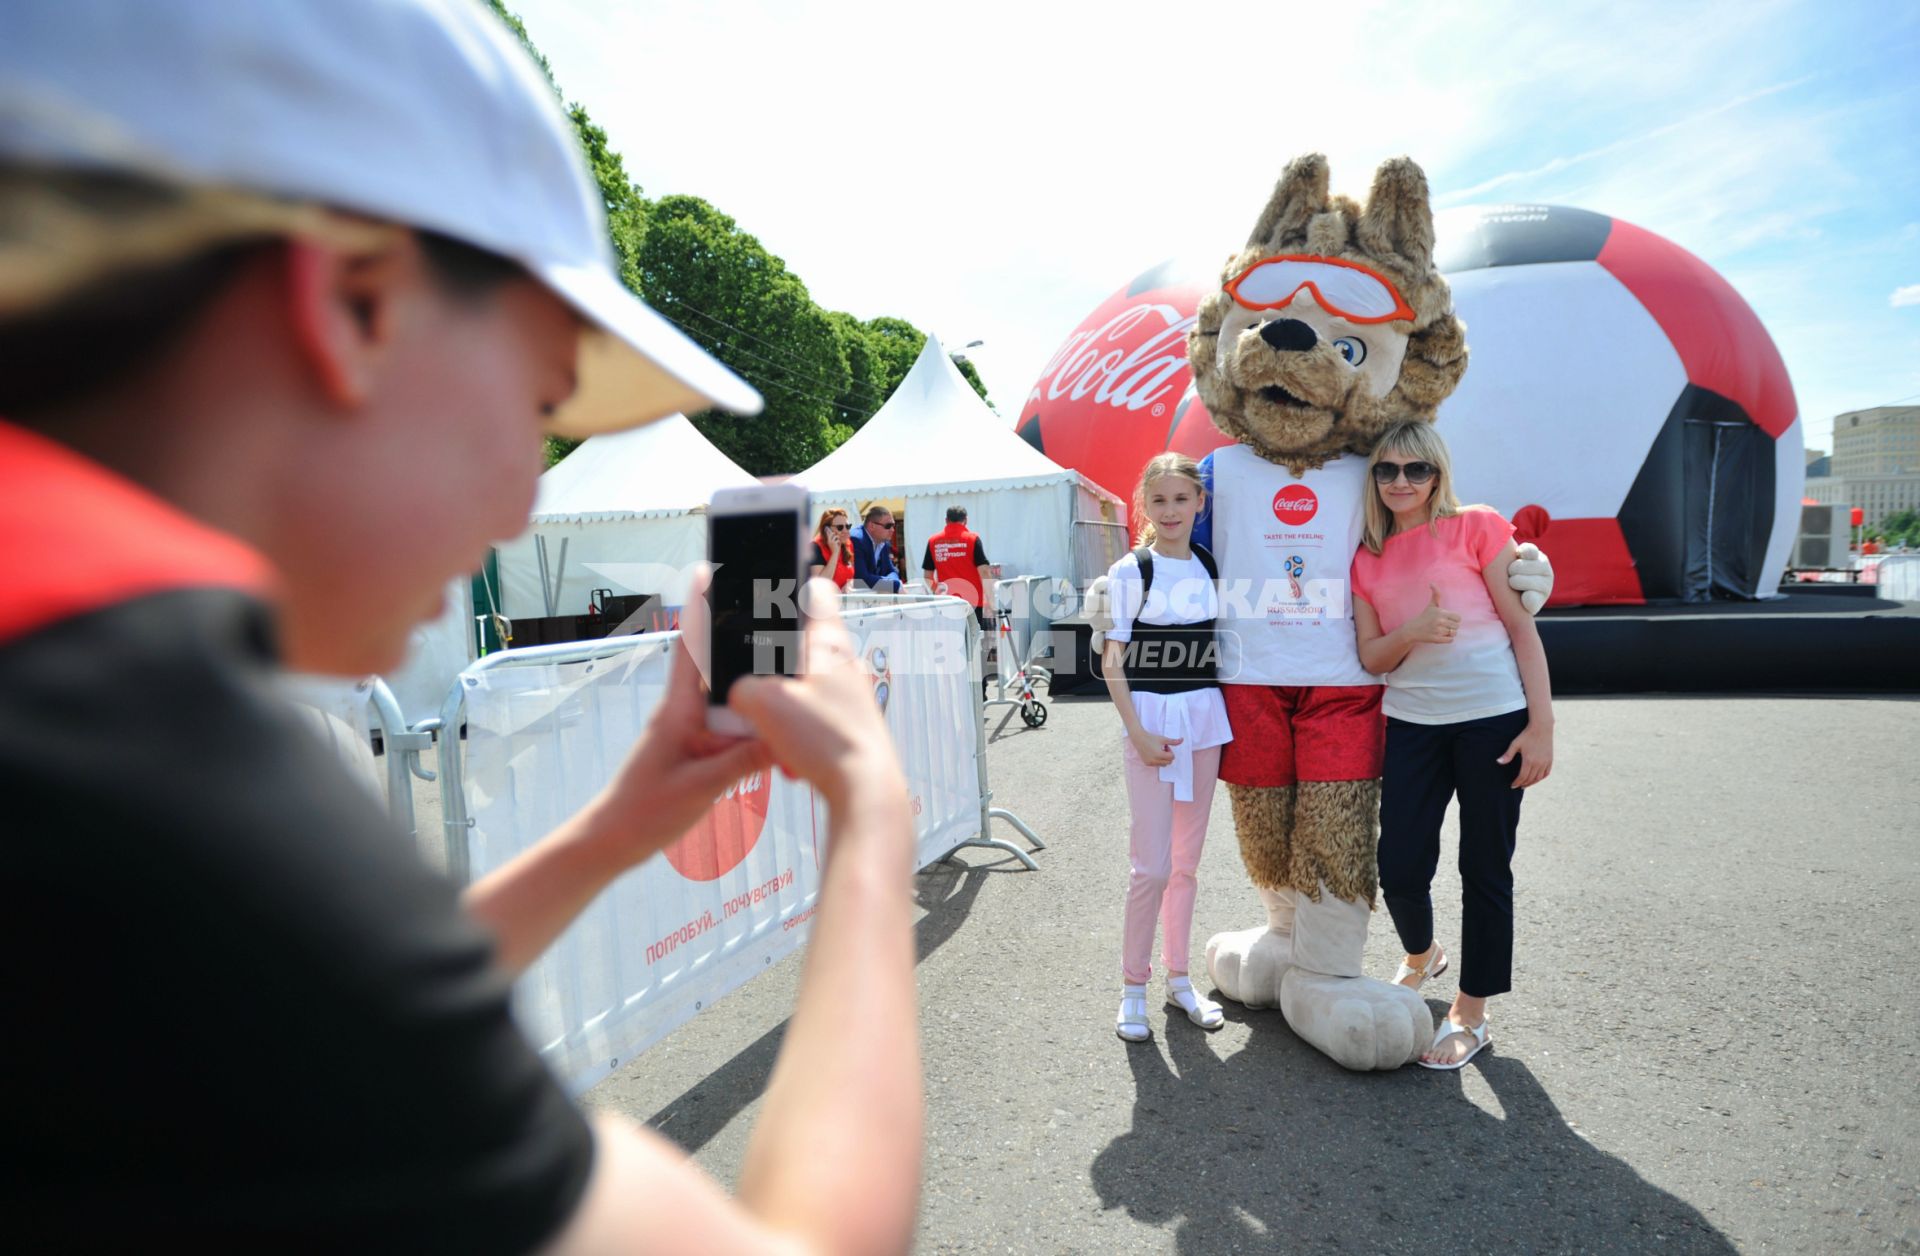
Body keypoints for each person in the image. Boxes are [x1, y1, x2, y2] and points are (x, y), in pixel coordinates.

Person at [0, 3, 922, 1251]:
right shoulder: (136, 751)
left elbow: (310, 1028)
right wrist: (868, 813)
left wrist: (615, 828)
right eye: (542, 405)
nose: (520, 499)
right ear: (357, 304)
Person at [1349, 421, 1554, 1072]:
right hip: (1411, 720)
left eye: (1416, 470)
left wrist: (1541, 725)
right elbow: (1371, 654)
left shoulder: (1477, 526)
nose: (1401, 482)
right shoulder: (1365, 557)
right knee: (1400, 864)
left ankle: (1472, 1010)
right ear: (1373, 478)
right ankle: (1421, 957)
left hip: (1493, 718)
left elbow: (1523, 629)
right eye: (1387, 470)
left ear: (1437, 474)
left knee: (1485, 868)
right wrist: (1414, 629)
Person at [1100, 454, 1234, 1042]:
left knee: (1185, 865)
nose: (1171, 510)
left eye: (1182, 499)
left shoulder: (1208, 563)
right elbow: (1113, 661)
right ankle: (1134, 987)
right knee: (1150, 867)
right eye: (1159, 501)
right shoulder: (1133, 572)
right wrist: (1138, 732)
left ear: (1199, 504)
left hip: (1204, 724)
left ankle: (1179, 981)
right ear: (1144, 506)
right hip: (1151, 726)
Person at [921, 505, 995, 622]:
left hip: (947, 603)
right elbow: (984, 572)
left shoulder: (933, 541)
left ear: (946, 520)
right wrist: (991, 601)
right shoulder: (972, 539)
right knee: (974, 638)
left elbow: (927, 576)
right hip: (973, 602)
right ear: (966, 520)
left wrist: (939, 592)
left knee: (952, 638)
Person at [850, 504, 904, 592]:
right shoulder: (856, 540)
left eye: (893, 525)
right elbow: (861, 579)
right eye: (888, 526)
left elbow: (891, 571)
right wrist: (895, 585)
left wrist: (894, 583)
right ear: (872, 526)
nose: (892, 530)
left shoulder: (883, 542)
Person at [809, 507, 856, 590]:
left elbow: (851, 576)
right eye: (840, 527)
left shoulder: (848, 544)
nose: (845, 531)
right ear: (827, 530)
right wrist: (835, 553)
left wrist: (849, 584)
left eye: (847, 526)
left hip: (844, 600)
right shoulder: (815, 547)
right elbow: (820, 586)